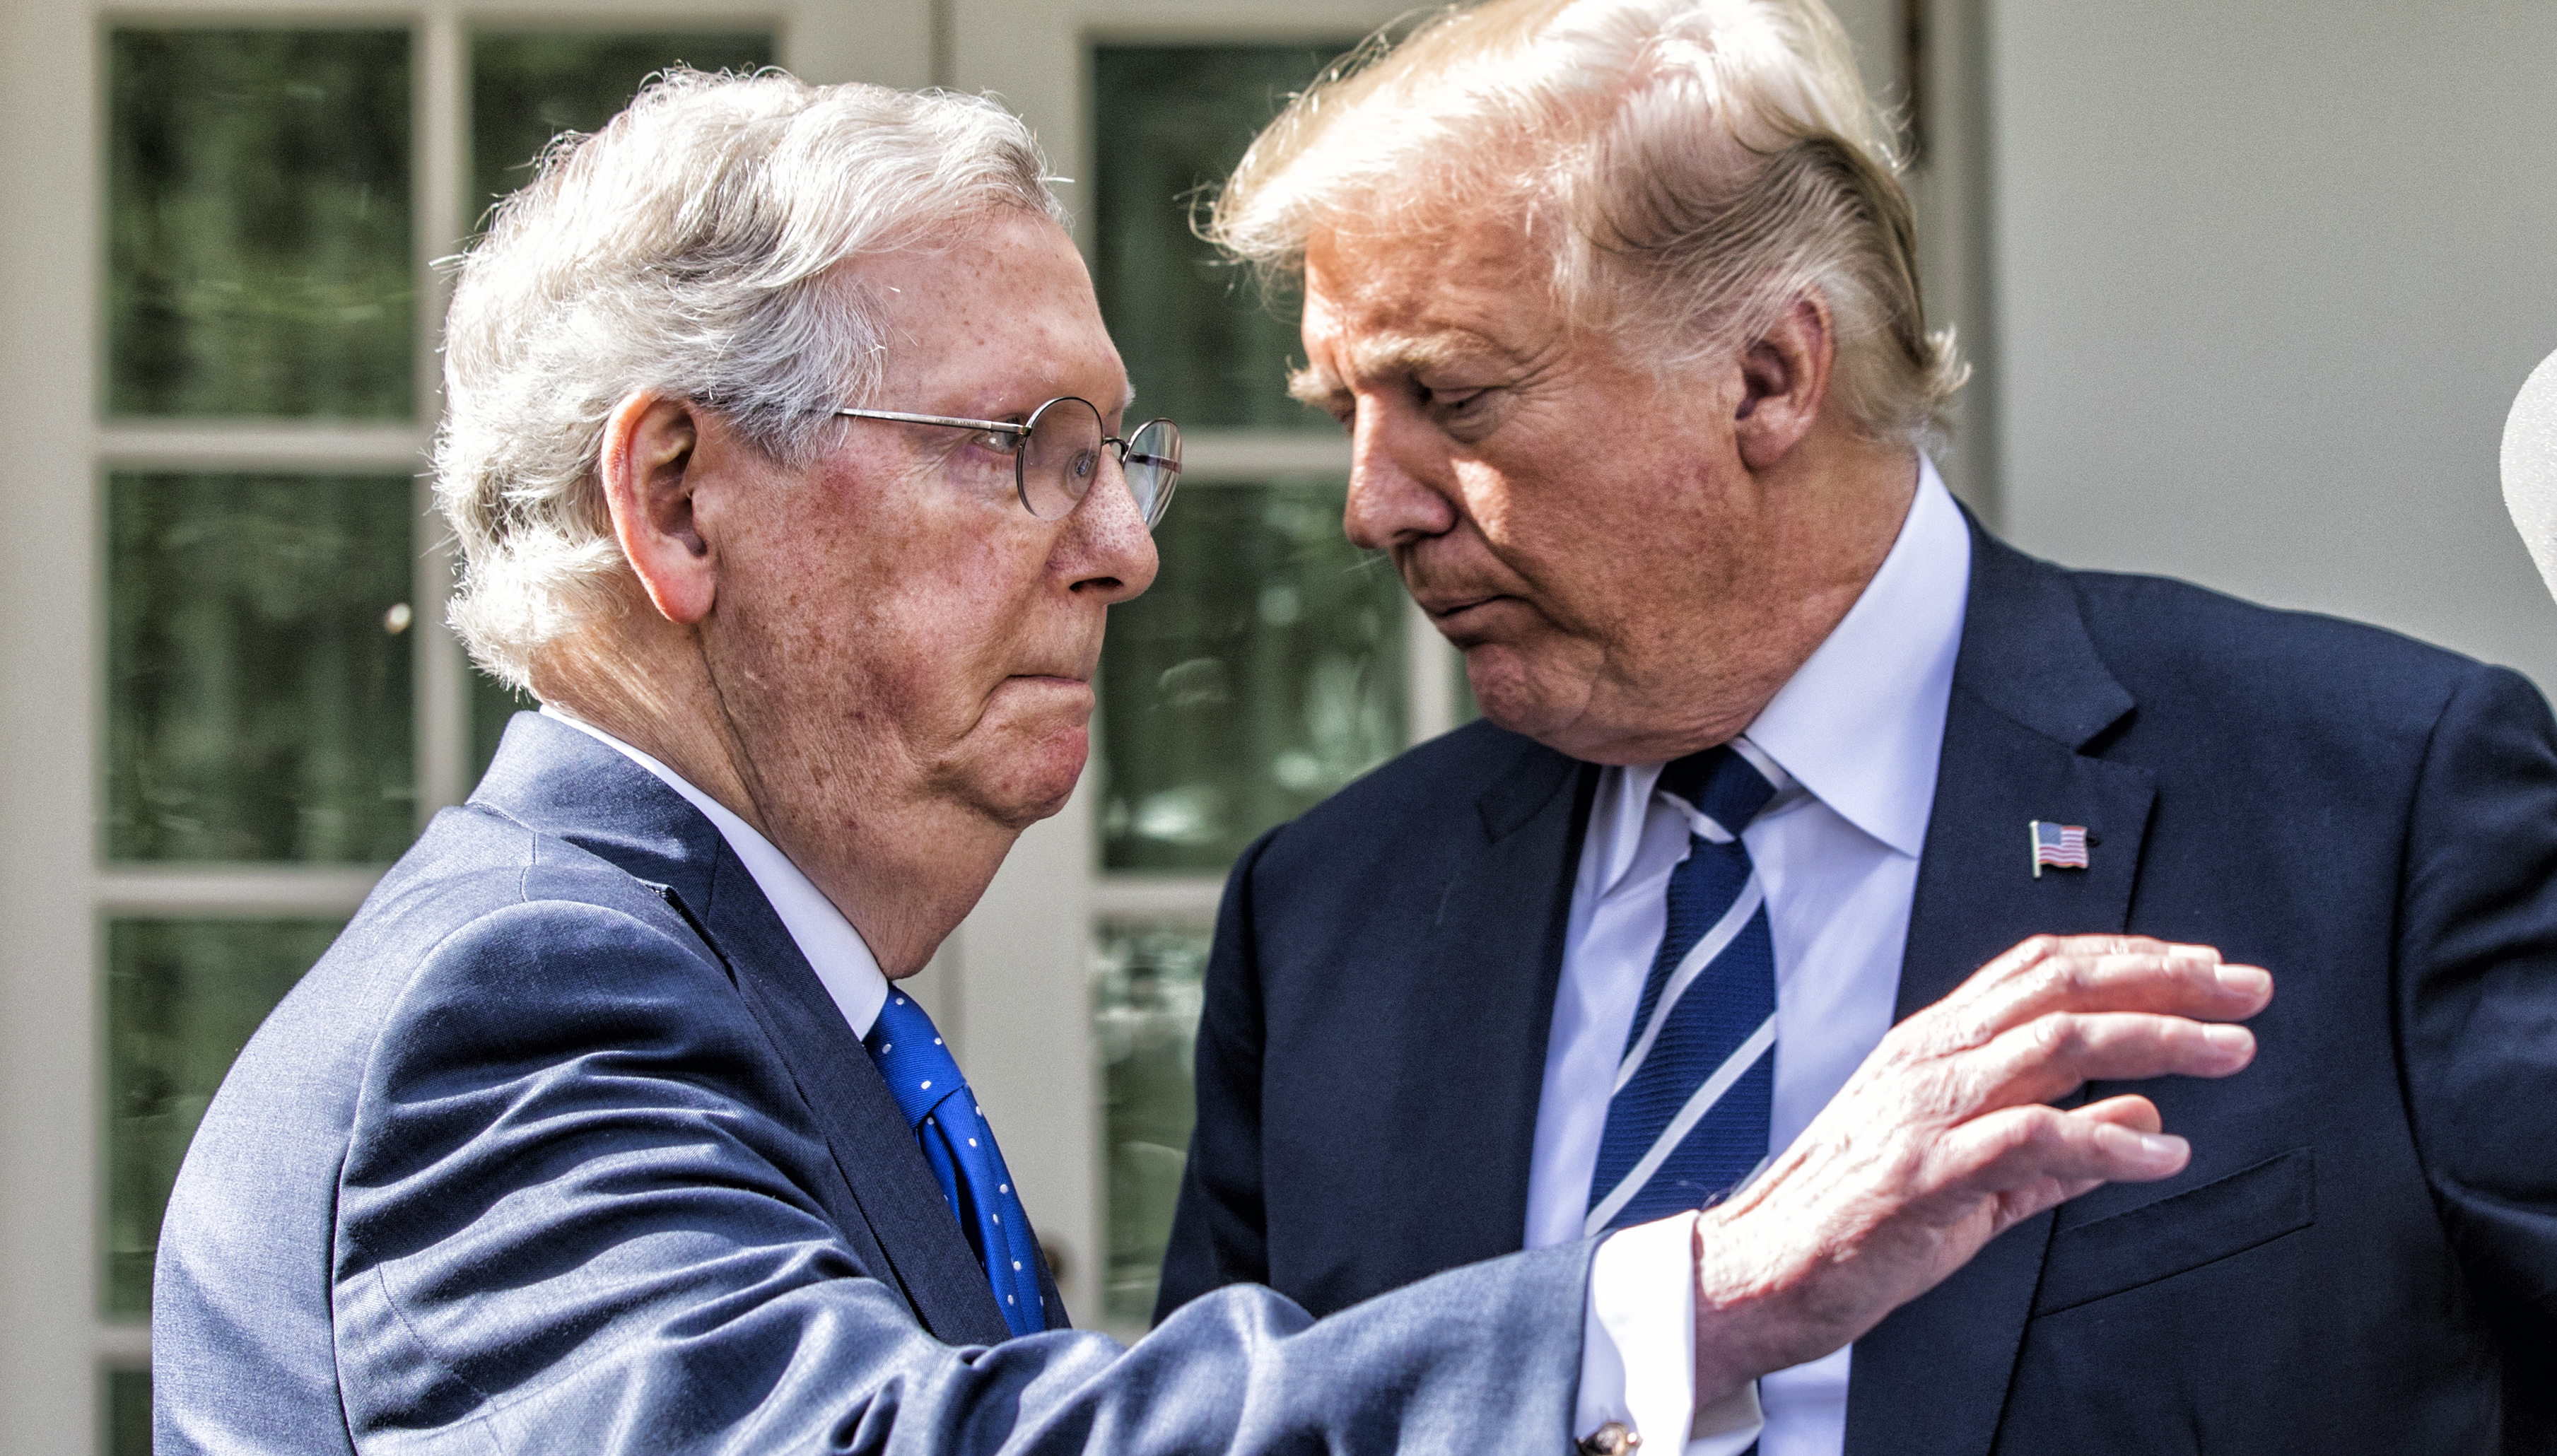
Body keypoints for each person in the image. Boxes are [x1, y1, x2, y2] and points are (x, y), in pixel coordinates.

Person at [152, 68, 2265, 1455]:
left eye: (1120, 450)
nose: (1127, 542)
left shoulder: (744, 984)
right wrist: (1695, 1295)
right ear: (682, 500)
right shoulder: (520, 1000)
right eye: (1023, 451)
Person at [1155, 1, 2557, 1452]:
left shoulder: (2381, 800)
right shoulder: (1327, 914)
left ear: (1768, 375)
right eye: (1346, 415)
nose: (1373, 506)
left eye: (1450, 395)